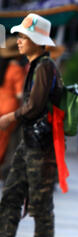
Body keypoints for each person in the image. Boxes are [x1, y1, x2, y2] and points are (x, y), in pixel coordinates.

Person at [0, 13, 63, 237]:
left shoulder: (45, 67)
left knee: (39, 202)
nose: (20, 41)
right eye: (19, 36)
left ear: (38, 41)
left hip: (41, 146)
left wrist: (11, 116)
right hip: (28, 143)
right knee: (12, 194)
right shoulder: (34, 66)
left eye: (25, 36)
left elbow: (36, 106)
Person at [0, 38, 26, 180]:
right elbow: (19, 94)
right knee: (4, 142)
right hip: (9, 110)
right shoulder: (16, 69)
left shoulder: (3, 68)